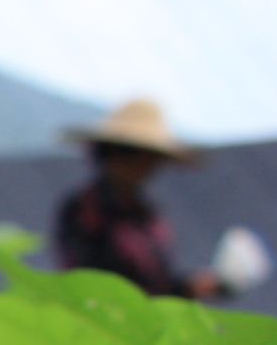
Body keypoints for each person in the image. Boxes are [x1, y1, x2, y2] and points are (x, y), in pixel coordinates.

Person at [53, 97, 221, 300]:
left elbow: (159, 284)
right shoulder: (86, 210)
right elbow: (91, 280)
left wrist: (190, 288)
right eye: (143, 157)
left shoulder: (147, 214)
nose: (149, 168)